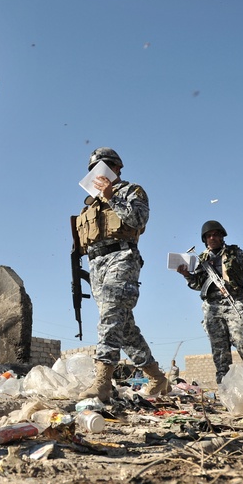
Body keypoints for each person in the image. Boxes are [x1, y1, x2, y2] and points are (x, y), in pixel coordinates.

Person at [73, 147, 169, 403]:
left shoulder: (130, 191)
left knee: (110, 316)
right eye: (94, 168)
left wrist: (111, 196)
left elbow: (138, 219)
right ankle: (157, 377)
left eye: (104, 166)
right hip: (96, 265)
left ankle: (102, 382)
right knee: (123, 327)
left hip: (122, 257)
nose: (98, 172)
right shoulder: (90, 204)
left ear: (116, 168)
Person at [177, 220, 243, 383]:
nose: (212, 238)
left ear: (222, 236)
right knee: (219, 350)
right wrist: (186, 275)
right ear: (205, 239)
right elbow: (197, 285)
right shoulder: (201, 259)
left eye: (215, 235)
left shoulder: (235, 253)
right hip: (212, 306)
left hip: (234, 300)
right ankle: (225, 384)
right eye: (209, 236)